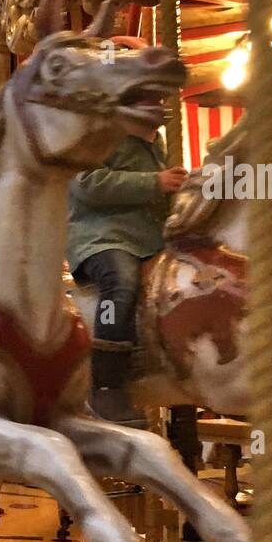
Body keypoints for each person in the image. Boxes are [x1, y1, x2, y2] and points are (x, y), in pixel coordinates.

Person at [67, 36, 186, 426]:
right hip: (105, 236)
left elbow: (162, 191)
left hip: (151, 238)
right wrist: (155, 182)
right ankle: (107, 387)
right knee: (120, 282)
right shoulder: (97, 131)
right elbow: (85, 185)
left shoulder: (154, 136)